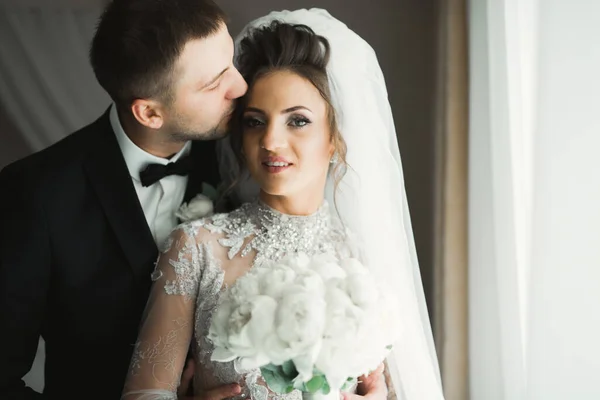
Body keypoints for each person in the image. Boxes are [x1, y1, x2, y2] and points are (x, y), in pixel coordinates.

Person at [122, 9, 444, 400]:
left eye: (298, 121)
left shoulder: (364, 254)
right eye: (256, 122)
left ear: (335, 139)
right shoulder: (196, 248)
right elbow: (143, 394)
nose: (271, 141)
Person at [0, 0, 247, 398]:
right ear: (149, 113)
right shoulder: (34, 195)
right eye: (214, 82)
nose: (241, 86)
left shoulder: (249, 159)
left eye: (231, 62)